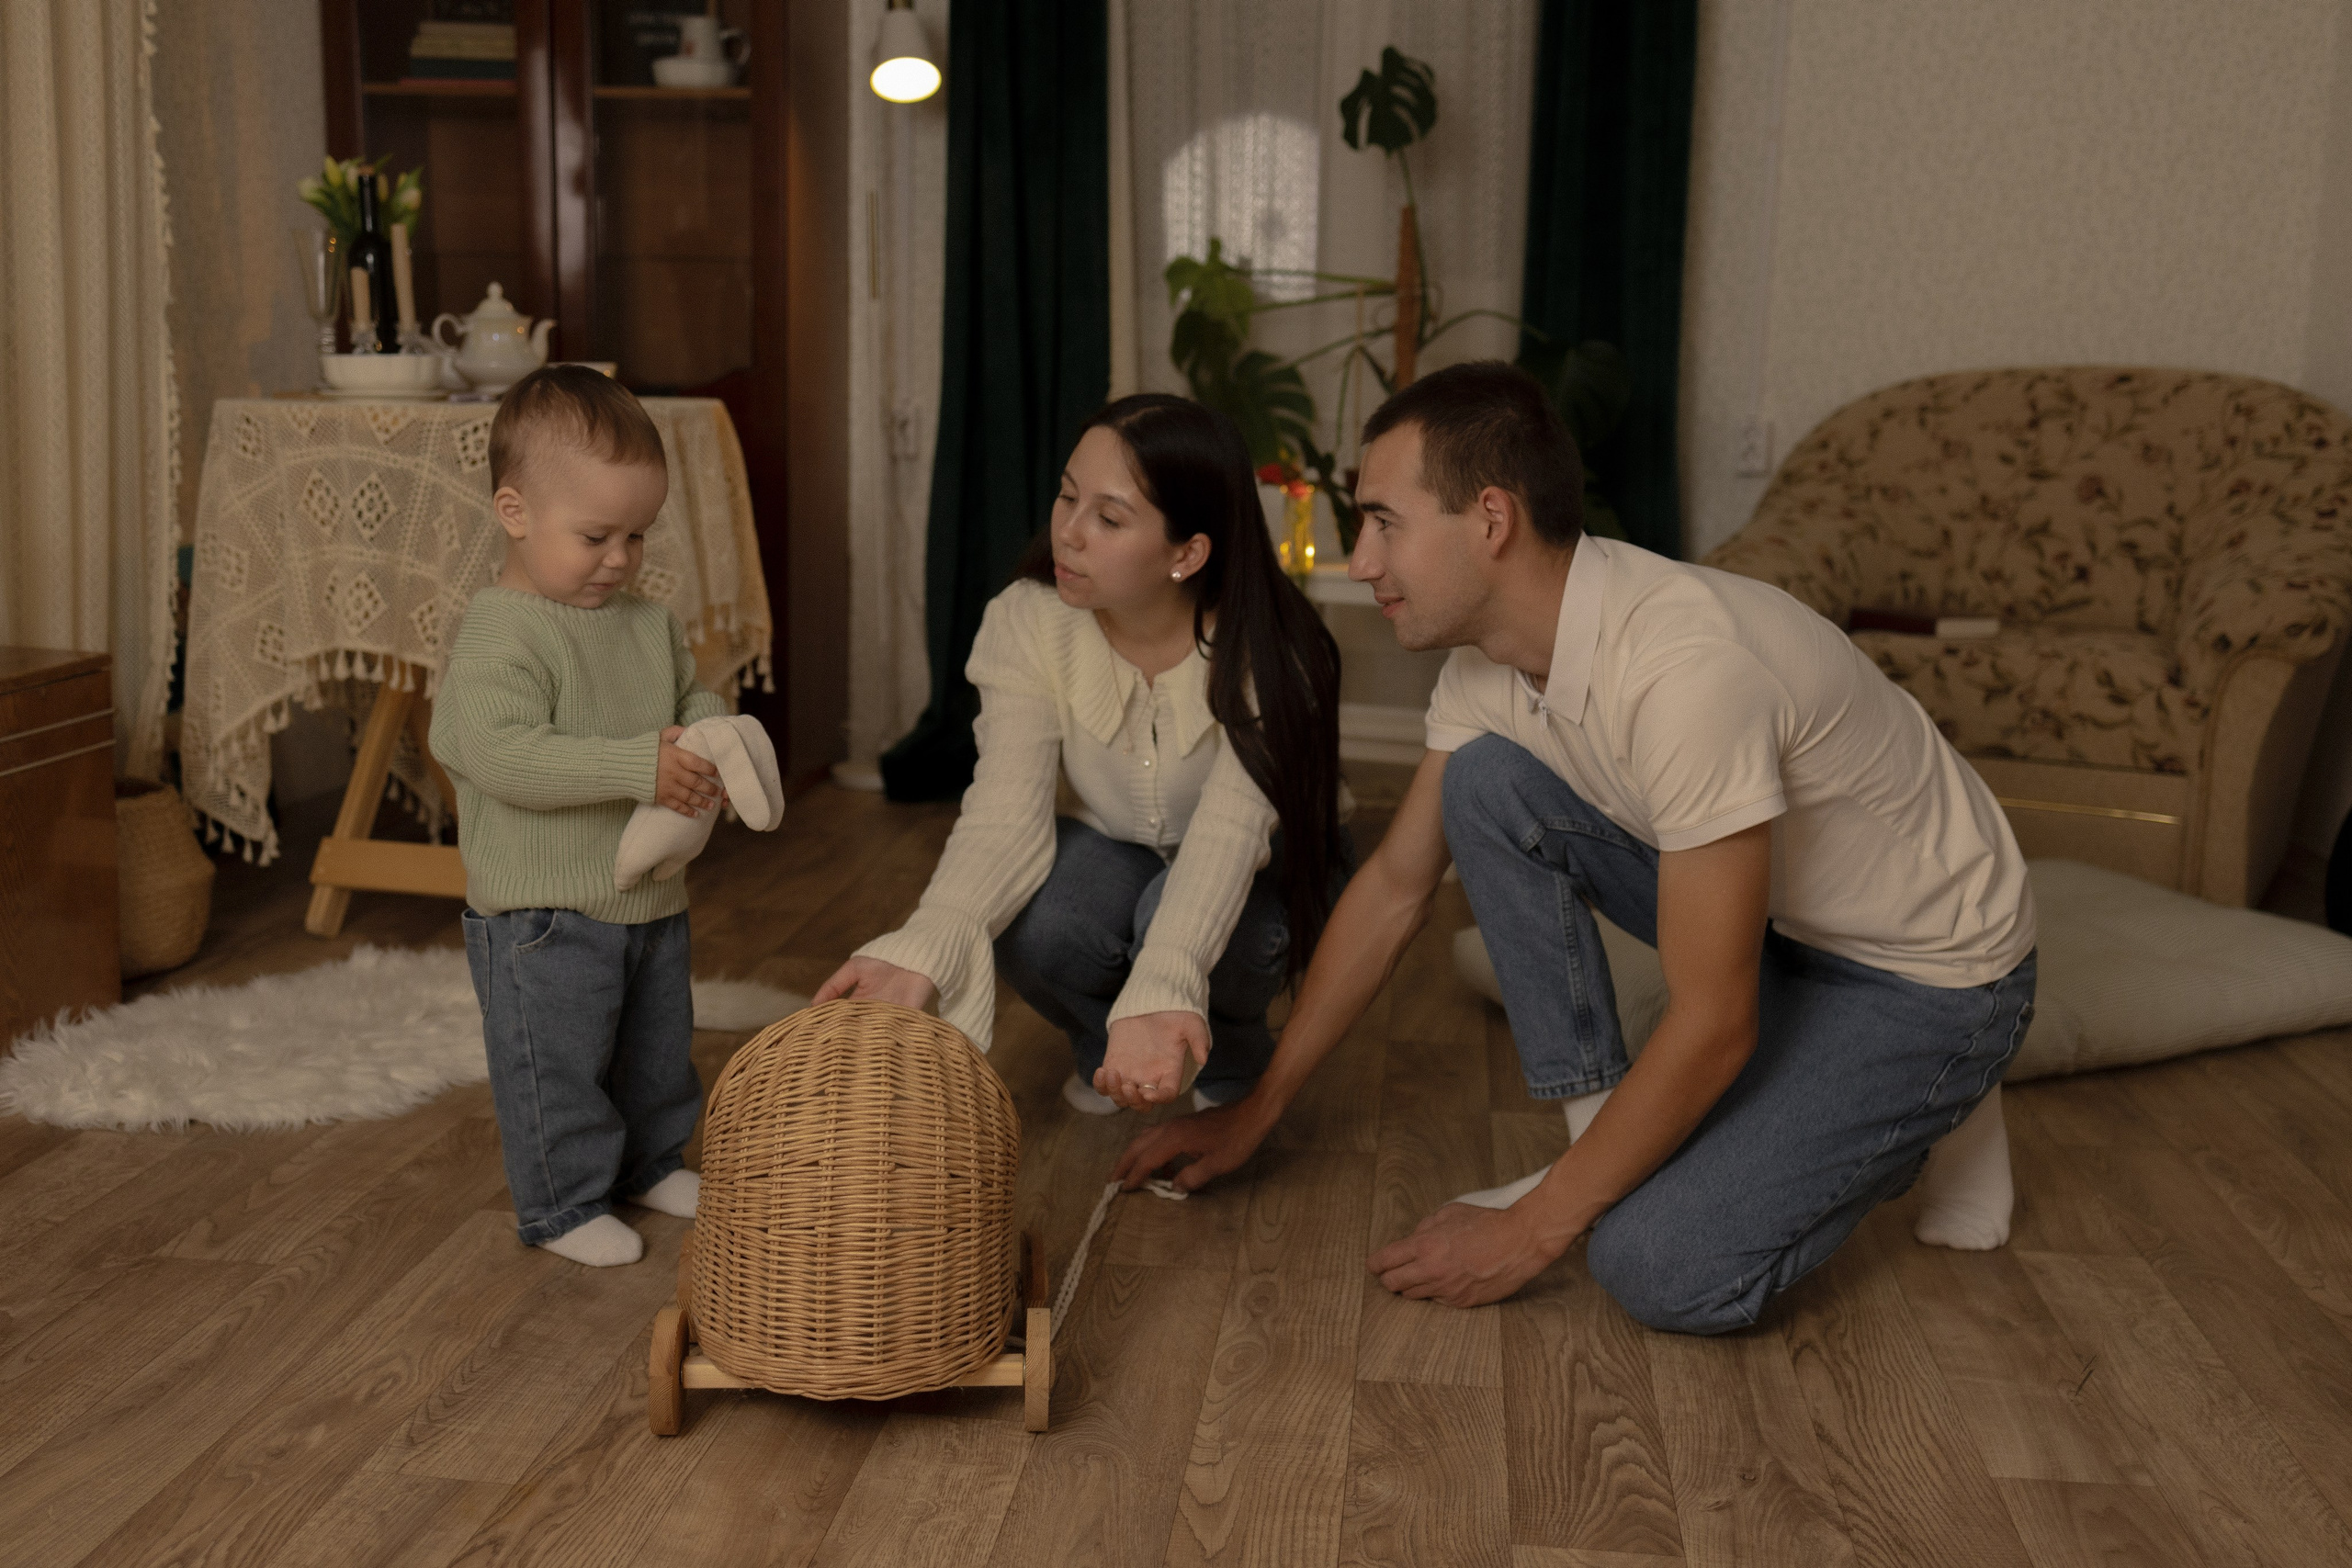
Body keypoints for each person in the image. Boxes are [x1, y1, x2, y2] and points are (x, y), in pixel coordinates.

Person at [1114, 362, 2037, 1333]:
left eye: (1384, 522)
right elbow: (1393, 887)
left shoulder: (1685, 673)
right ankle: (1598, 1144)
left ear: (1490, 519)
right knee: (1484, 784)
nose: (1363, 561)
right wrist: (1256, 1112)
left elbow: (1715, 1020)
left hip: (1931, 976)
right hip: (1789, 927)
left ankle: (1938, 1091)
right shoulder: (1492, 664)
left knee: (1658, 1269)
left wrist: (1536, 1227)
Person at [816, 395, 1347, 1112]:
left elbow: (1226, 835)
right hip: (1121, 850)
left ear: (1187, 553)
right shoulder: (1026, 620)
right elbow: (1005, 814)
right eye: (1068, 497)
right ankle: (1109, 1048)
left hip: (1264, 867)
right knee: (1039, 914)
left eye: (1109, 517)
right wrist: (927, 943)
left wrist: (1167, 974)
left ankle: (1236, 1056)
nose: (1068, 532)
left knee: (1187, 917)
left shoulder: (1275, 647)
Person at [433, 365, 734, 1269]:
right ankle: (561, 1204)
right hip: (540, 913)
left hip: (646, 896)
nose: (620, 559)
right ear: (515, 512)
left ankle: (648, 1162)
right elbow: (494, 752)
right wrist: (635, 763)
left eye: (637, 536)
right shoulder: (503, 630)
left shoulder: (646, 622)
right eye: (596, 535)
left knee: (653, 1053)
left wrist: (710, 729)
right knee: (553, 1066)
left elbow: (693, 691)